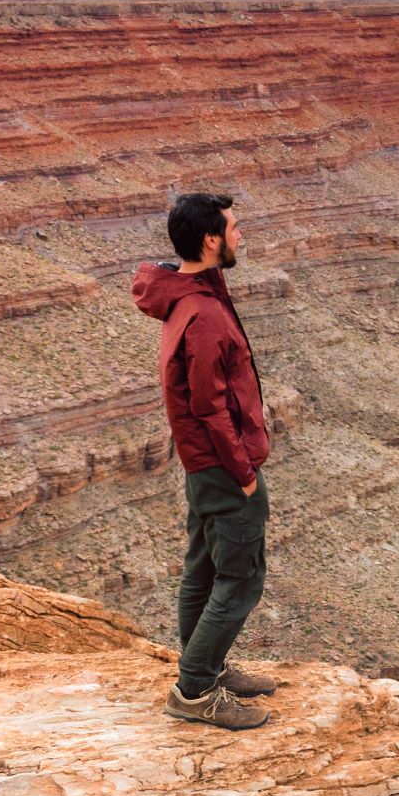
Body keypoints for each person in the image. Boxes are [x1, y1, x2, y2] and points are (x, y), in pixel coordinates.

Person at [132, 193, 282, 729]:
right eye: (235, 228)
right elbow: (209, 406)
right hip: (223, 467)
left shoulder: (194, 295)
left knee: (203, 568)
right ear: (211, 239)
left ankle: (207, 667)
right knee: (240, 578)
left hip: (205, 465)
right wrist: (243, 474)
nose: (242, 236)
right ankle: (194, 690)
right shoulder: (204, 315)